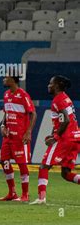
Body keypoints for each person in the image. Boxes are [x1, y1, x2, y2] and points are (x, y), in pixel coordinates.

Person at [32, 75, 80, 205]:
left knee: (44, 165)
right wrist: (53, 133)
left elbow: (66, 120)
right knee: (65, 173)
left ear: (57, 85)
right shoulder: (65, 97)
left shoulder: (58, 99)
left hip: (66, 138)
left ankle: (41, 198)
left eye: (51, 83)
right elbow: (62, 120)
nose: (48, 85)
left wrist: (55, 137)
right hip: (75, 137)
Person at [0, 76, 36, 202]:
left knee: (21, 164)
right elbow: (6, 113)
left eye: (6, 78)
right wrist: (3, 125)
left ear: (13, 80)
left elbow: (33, 113)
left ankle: (25, 194)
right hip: (8, 136)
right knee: (4, 161)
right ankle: (12, 192)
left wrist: (28, 132)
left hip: (20, 137)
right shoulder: (6, 94)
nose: (3, 80)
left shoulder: (23, 95)